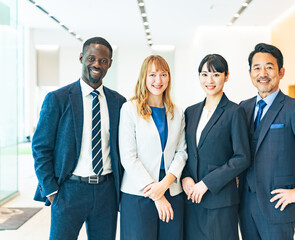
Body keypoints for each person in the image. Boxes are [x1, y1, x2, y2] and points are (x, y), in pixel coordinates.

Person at [32, 37, 126, 240]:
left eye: (103, 60)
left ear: (110, 63)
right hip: (68, 191)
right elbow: (41, 148)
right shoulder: (58, 99)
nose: (97, 64)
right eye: (91, 58)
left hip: (106, 192)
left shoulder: (118, 102)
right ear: (82, 58)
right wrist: (51, 191)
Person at [238, 43, 295, 240]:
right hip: (245, 205)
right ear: (250, 73)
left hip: (278, 205)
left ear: (281, 72)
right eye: (257, 68)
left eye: (269, 67)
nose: (263, 73)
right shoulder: (243, 108)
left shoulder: (294, 109)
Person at [182, 54, 251, 240]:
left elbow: (241, 157)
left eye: (216, 74)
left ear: (226, 76)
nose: (209, 80)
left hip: (219, 200)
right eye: (204, 74)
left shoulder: (234, 112)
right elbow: (185, 151)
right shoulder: (191, 111)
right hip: (191, 199)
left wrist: (206, 184)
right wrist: (186, 176)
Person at [119, 55, 187, 240]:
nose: (158, 80)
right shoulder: (129, 109)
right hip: (138, 195)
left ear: (169, 78)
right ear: (144, 78)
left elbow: (182, 152)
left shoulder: (177, 111)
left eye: (163, 74)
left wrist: (165, 185)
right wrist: (156, 194)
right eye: (152, 75)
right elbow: (128, 156)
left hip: (171, 192)